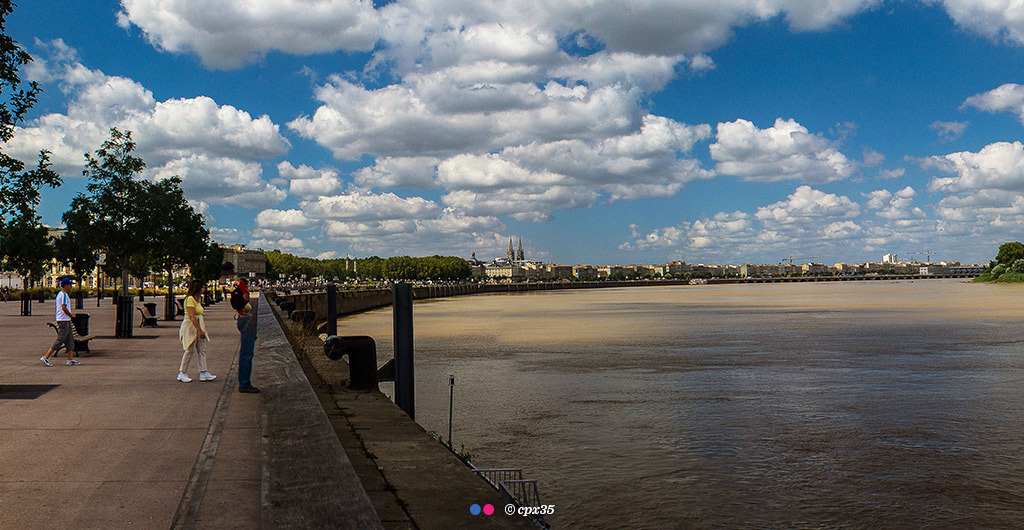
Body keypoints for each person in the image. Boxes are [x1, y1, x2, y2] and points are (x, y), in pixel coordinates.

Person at [223, 263, 260, 393]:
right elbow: (245, 297)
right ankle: (244, 383)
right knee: (247, 353)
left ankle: (244, 382)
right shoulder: (239, 283)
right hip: (245, 318)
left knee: (245, 352)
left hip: (240, 316)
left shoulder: (228, 284)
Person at [177, 280, 216, 383]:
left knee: (201, 349)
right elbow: (192, 316)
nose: (204, 289)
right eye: (202, 287)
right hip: (190, 326)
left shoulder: (197, 299)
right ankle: (182, 372)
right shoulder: (190, 299)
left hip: (198, 323)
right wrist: (199, 330)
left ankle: (203, 371)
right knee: (189, 349)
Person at [41, 278, 80, 366]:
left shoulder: (63, 294)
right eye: (70, 285)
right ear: (66, 285)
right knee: (61, 339)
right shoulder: (63, 295)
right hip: (63, 319)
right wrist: (71, 315)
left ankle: (70, 359)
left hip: (66, 320)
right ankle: (46, 357)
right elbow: (64, 307)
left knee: (70, 339)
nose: (71, 286)